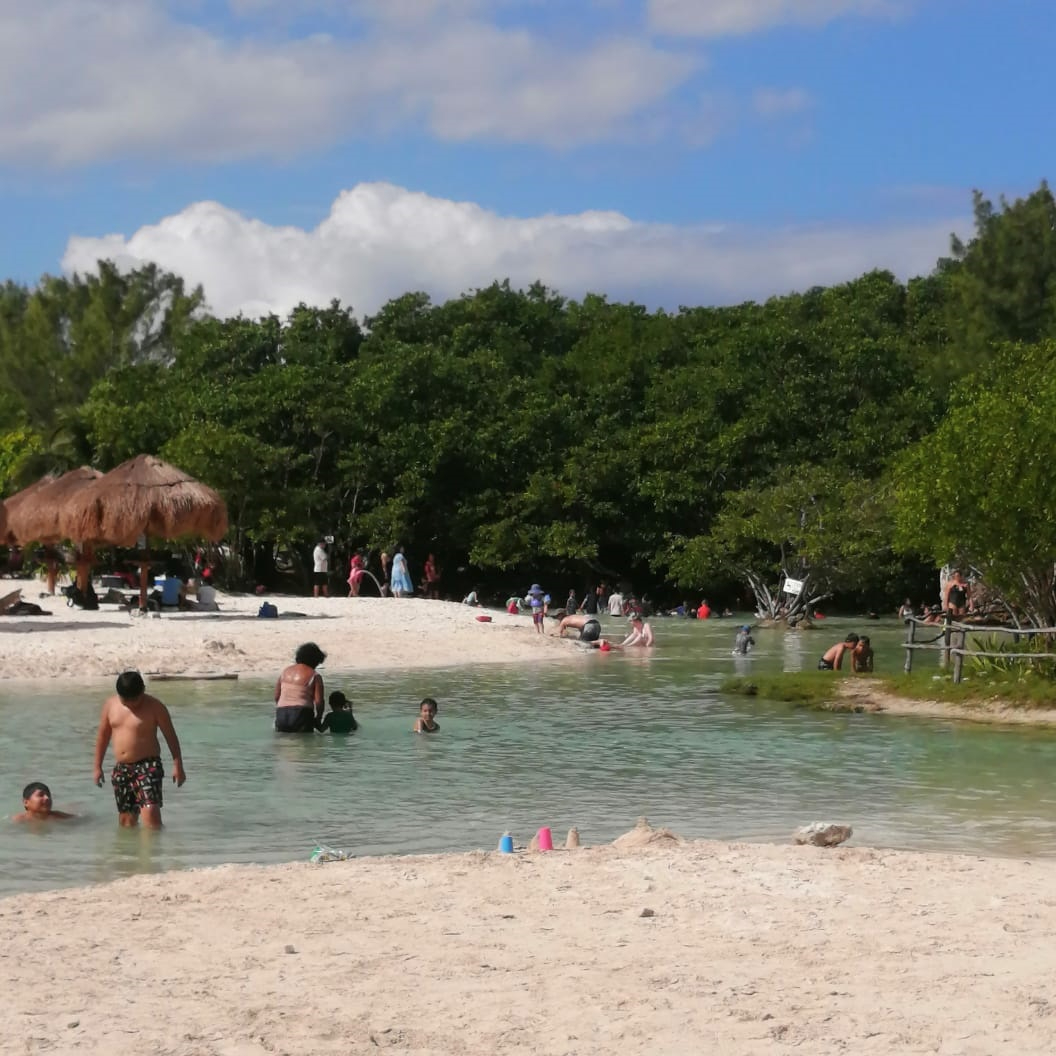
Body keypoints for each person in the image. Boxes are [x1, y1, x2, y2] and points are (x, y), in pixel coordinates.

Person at [92, 671, 186, 829]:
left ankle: (153, 852)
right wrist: (97, 767)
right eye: (125, 700)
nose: (130, 704)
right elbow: (103, 736)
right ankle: (128, 854)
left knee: (151, 815)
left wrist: (178, 766)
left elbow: (171, 737)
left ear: (143, 690)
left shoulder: (155, 707)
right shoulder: (110, 705)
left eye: (135, 700)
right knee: (126, 821)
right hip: (122, 769)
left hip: (148, 766)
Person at [274, 642, 326, 733]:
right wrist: (318, 718)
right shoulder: (314, 675)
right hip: (302, 713)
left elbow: (276, 697)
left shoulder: (285, 672)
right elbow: (319, 702)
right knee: (305, 745)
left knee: (282, 744)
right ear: (315, 660)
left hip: (281, 713)